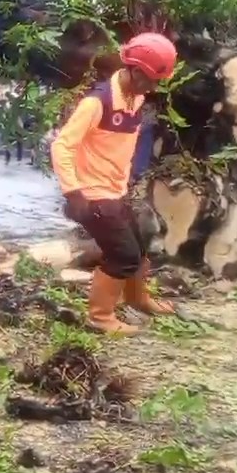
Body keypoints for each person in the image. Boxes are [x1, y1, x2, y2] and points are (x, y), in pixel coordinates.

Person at [51, 32, 179, 334]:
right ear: (132, 69)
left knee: (141, 245)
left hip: (116, 191)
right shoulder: (97, 103)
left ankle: (138, 298)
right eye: (148, 78)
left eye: (156, 81)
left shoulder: (136, 98)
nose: (152, 87)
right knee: (122, 255)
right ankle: (100, 317)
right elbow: (62, 146)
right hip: (94, 194)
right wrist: (73, 193)